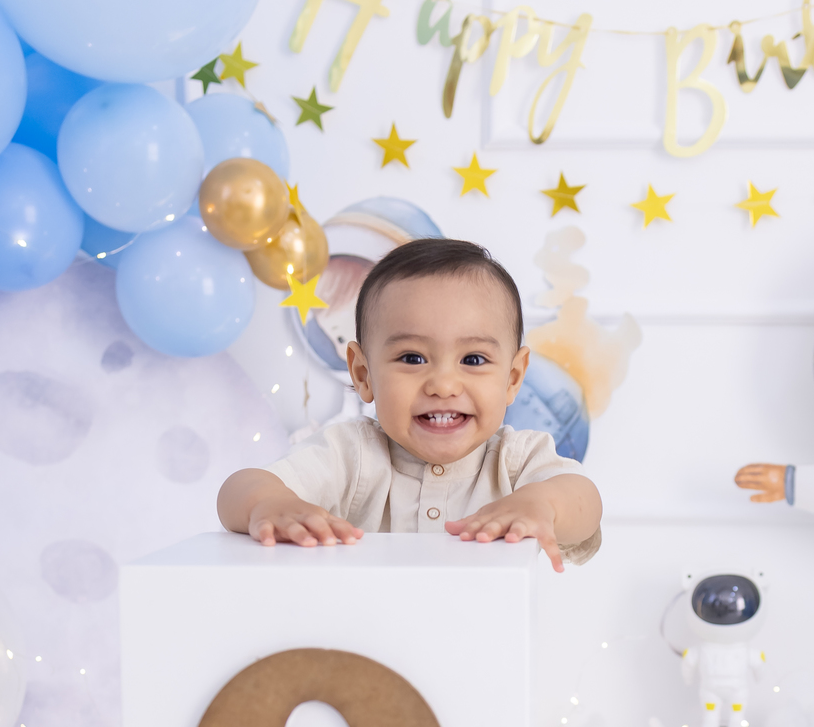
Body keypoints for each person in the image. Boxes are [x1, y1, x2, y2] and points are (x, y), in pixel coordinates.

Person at [218, 237, 603, 572]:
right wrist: (270, 504)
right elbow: (238, 490)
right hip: (367, 647)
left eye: (473, 360)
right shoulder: (351, 454)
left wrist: (541, 503)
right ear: (363, 374)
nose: (443, 385)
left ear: (513, 378)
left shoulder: (516, 461)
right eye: (413, 358)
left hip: (487, 641)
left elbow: (585, 503)